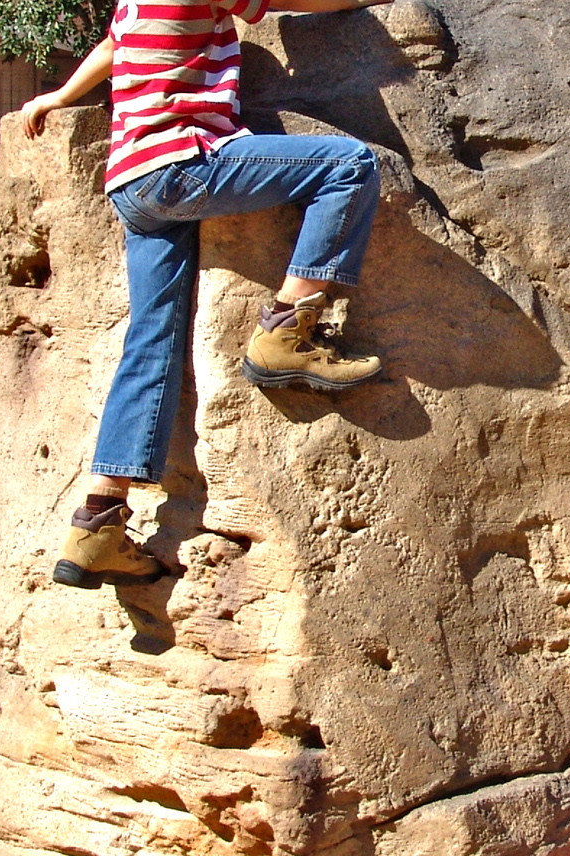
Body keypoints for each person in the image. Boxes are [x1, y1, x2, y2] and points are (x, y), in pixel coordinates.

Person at [20, 0, 392, 590]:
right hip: (183, 164)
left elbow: (114, 47)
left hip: (131, 182)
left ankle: (95, 526)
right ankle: (284, 331)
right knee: (349, 166)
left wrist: (58, 95)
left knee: (150, 344)